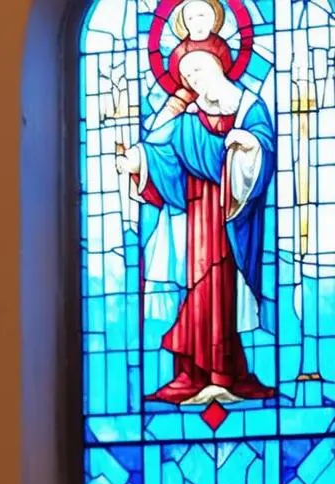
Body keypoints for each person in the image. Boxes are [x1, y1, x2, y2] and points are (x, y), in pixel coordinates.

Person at [117, 1, 276, 405]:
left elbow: (263, 148)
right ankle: (193, 374)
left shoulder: (247, 107)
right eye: (187, 74)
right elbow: (162, 153)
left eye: (199, 70)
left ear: (220, 65)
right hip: (194, 215)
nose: (193, 79)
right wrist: (137, 160)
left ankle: (223, 375)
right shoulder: (186, 117)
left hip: (231, 214)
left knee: (222, 287)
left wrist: (250, 145)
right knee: (198, 285)